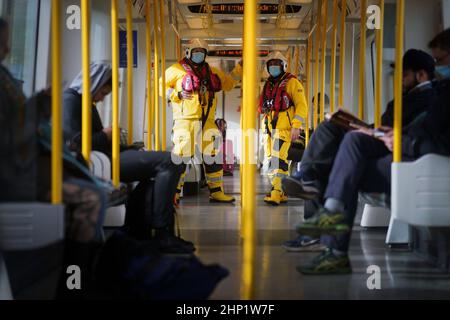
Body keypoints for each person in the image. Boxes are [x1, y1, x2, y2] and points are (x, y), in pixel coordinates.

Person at [295, 29, 450, 274]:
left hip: (418, 159)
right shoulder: (426, 96)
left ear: (421, 75)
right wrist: (376, 131)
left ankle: (328, 221)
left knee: (348, 160)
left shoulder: (438, 96)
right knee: (339, 138)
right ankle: (314, 188)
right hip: (403, 148)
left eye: (440, 61)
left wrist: (400, 140)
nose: (437, 68)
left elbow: (434, 138)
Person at [0, 17, 107, 299]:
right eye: (4, 41)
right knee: (89, 198)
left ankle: (79, 274)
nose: (8, 47)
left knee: (92, 191)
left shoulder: (5, 78)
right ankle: (74, 281)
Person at [63, 62, 193, 254]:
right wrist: (106, 135)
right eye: (102, 93)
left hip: (104, 157)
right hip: (94, 163)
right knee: (171, 161)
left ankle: (138, 230)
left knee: (166, 165)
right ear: (95, 84)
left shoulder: (84, 102)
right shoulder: (70, 101)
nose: (100, 99)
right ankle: (162, 233)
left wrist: (130, 148)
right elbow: (75, 144)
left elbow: (97, 140)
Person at [164, 39, 241, 204]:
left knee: (213, 156)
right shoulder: (176, 70)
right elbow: (158, 86)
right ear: (188, 53)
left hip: (208, 121)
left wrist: (240, 69)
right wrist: (175, 95)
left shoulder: (211, 71)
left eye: (201, 52)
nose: (199, 54)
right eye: (195, 51)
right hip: (185, 121)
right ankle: (173, 193)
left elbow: (227, 84)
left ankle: (217, 192)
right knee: (181, 157)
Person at [258, 51, 308, 206]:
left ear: (283, 66)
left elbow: (301, 106)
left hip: (284, 128)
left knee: (278, 159)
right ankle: (281, 189)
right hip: (269, 128)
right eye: (271, 64)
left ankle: (277, 192)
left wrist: (296, 126)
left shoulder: (292, 82)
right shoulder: (268, 83)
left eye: (276, 64)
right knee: (272, 160)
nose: (273, 67)